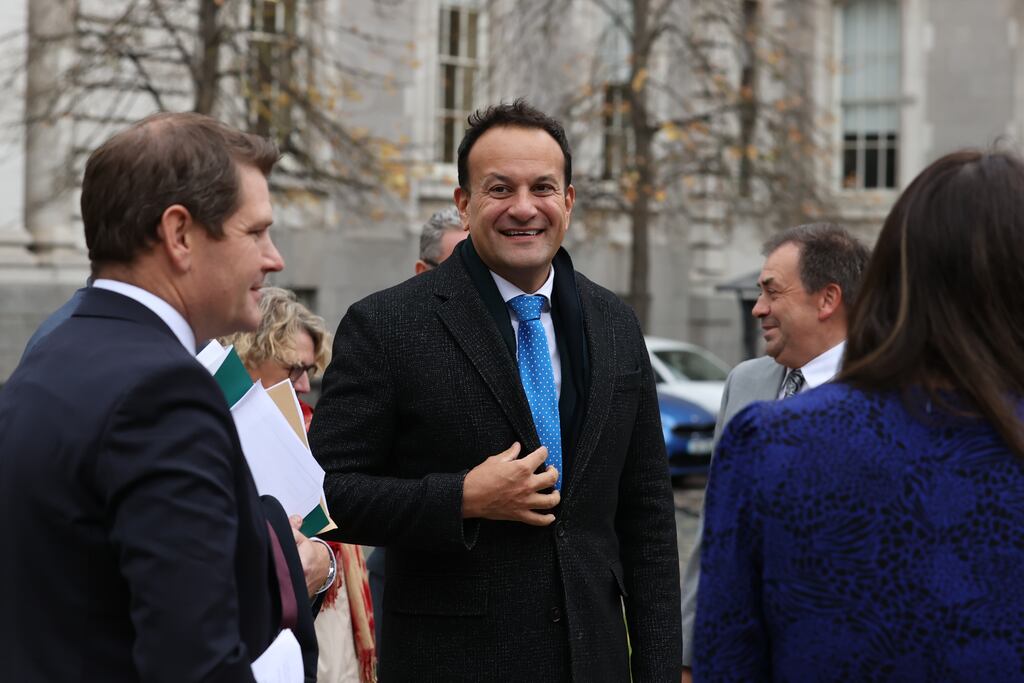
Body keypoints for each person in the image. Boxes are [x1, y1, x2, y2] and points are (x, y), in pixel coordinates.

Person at [309, 99, 681, 681]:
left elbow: (649, 518)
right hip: (454, 663)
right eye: (500, 188)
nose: (524, 208)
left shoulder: (615, 323)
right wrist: (461, 498)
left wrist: (657, 671)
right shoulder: (386, 325)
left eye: (543, 187)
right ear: (464, 203)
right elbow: (330, 496)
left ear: (569, 200)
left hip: (593, 662)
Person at [0, 112, 332, 682]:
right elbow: (192, 663)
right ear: (179, 235)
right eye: (254, 232)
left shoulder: (48, 355)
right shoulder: (164, 393)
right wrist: (283, 652)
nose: (273, 258)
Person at [693, 149, 1024, 680]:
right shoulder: (765, 425)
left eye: (771, 291)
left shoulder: (773, 445)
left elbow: (729, 660)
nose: (759, 307)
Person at [679, 223, 870, 673]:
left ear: (828, 298)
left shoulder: (885, 391)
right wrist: (689, 656)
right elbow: (713, 531)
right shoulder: (744, 382)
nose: (758, 308)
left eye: (772, 292)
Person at [222, 286, 376, 683]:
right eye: (294, 369)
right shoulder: (214, 428)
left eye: (309, 370)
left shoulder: (315, 428)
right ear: (248, 354)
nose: (305, 385)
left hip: (326, 615)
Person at [366, 205, 468, 655]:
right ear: (421, 271)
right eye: (458, 267)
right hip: (416, 592)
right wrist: (464, 496)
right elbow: (347, 488)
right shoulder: (387, 340)